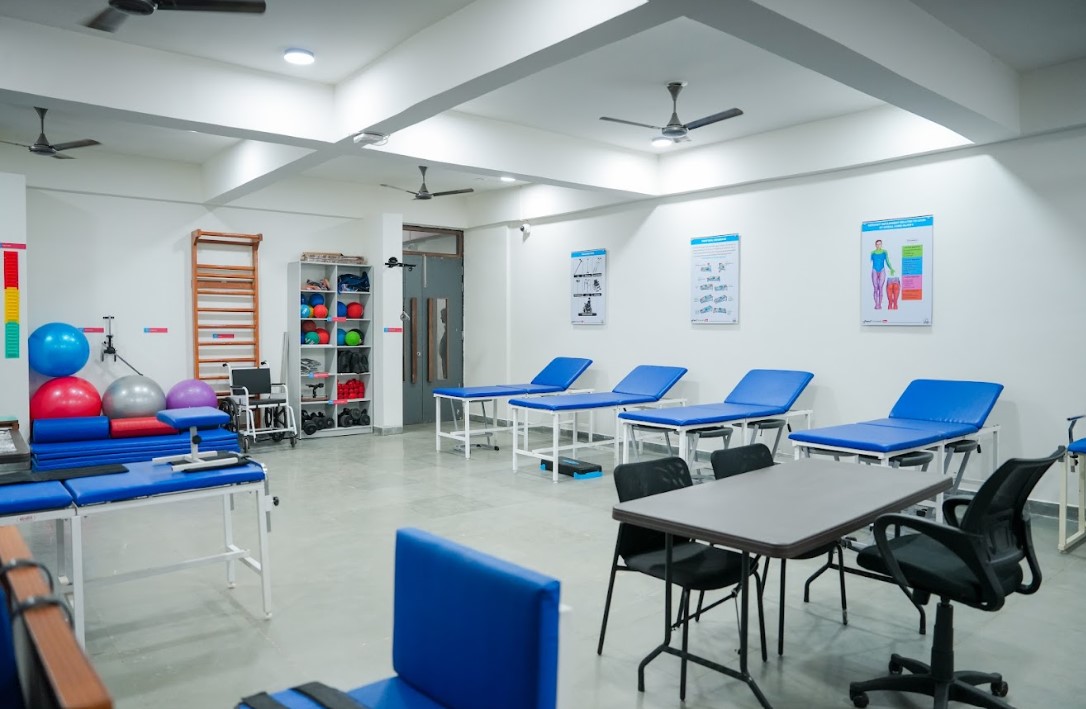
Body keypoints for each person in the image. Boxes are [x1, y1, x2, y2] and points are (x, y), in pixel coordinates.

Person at [870, 239, 895, 309]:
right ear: (875, 245)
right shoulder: (872, 253)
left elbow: (887, 261)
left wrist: (891, 268)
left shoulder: (884, 252)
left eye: (880, 244)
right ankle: (876, 304)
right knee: (875, 288)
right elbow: (869, 261)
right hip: (874, 270)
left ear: (881, 245)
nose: (878, 245)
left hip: (882, 270)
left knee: (880, 287)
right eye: (877, 244)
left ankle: (880, 304)